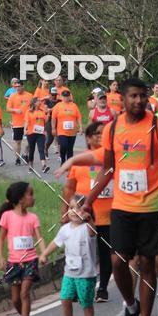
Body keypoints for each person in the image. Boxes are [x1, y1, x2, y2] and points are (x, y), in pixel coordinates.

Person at [83, 78, 158, 316]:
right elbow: (108, 168)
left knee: (148, 263)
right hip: (122, 206)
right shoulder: (113, 128)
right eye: (133, 96)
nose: (138, 101)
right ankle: (130, 305)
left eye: (142, 96)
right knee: (118, 261)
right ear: (123, 99)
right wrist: (88, 199)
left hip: (152, 206)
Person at [61, 121, 113, 302]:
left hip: (108, 215)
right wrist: (65, 211)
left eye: (103, 133)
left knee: (106, 253)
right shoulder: (80, 161)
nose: (101, 136)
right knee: (83, 252)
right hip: (83, 215)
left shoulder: (112, 158)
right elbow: (69, 188)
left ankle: (103, 288)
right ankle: (78, 287)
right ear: (89, 138)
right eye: (97, 133)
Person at [40, 195, 98, 316]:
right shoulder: (65, 229)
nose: (74, 211)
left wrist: (88, 219)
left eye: (79, 208)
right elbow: (56, 242)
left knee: (86, 302)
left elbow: (93, 230)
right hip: (69, 273)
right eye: (71, 208)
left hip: (86, 274)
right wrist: (45, 254)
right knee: (64, 298)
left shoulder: (87, 228)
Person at [0, 181, 45, 316]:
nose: (34, 198)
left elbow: (39, 238)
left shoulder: (33, 218)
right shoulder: (7, 216)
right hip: (13, 263)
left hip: (30, 261)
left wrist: (43, 253)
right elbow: (1, 239)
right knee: (15, 298)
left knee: (25, 293)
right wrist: (1, 257)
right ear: (20, 198)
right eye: (30, 194)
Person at [51, 88, 82, 164]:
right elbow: (53, 118)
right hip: (62, 131)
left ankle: (69, 164)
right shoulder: (58, 106)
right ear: (61, 97)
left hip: (72, 131)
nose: (66, 98)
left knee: (70, 148)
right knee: (64, 146)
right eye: (64, 96)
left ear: (70, 97)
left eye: (67, 96)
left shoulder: (74, 105)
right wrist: (53, 128)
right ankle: (62, 159)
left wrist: (80, 127)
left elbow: (78, 117)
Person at [6, 80, 33, 165]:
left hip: (28, 122)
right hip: (17, 122)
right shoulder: (12, 96)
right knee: (18, 142)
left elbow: (34, 106)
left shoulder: (29, 95)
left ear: (22, 86)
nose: (17, 88)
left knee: (30, 141)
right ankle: (17, 158)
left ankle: (25, 154)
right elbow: (7, 109)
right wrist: (15, 110)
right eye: (16, 87)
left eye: (18, 86)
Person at [24, 96, 50, 174]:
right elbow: (26, 121)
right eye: (38, 101)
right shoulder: (29, 112)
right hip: (31, 133)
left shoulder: (42, 111)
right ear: (34, 103)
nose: (40, 102)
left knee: (41, 149)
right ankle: (31, 166)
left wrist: (48, 114)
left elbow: (45, 121)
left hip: (40, 133)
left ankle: (44, 166)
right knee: (31, 150)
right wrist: (25, 129)